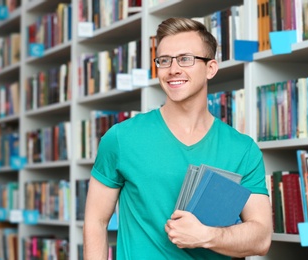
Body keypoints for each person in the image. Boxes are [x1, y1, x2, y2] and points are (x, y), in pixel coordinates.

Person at [83, 17, 272, 259]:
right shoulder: (121, 138)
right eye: (164, 61)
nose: (173, 69)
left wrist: (206, 235)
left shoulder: (243, 149)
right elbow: (95, 221)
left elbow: (261, 237)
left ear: (211, 68)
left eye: (186, 59)